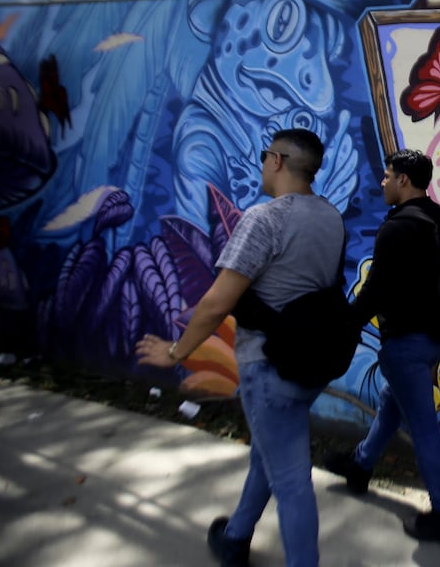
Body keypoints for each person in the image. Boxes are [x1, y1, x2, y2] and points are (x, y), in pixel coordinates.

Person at [137, 128, 345, 567]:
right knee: (269, 455)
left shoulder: (265, 218)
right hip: (309, 363)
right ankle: (235, 538)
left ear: (278, 161)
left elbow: (215, 305)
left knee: (290, 481)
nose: (263, 162)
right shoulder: (330, 217)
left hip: (269, 367)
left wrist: (175, 353)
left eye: (266, 155)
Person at [325, 148, 440, 546]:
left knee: (423, 430)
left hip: (405, 343)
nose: (383, 182)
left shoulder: (397, 227)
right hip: (435, 340)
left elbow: (375, 290)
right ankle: (361, 465)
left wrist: (344, 326)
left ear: (404, 180)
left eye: (388, 176)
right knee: (392, 404)